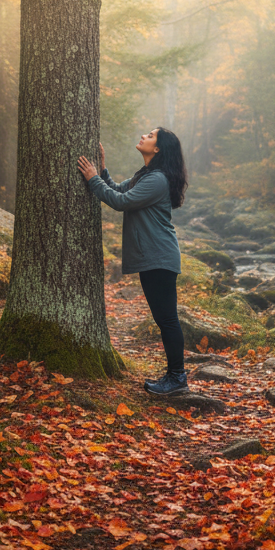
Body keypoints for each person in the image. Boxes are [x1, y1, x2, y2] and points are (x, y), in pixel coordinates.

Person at [77, 128, 189, 395]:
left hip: (159, 257)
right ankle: (175, 376)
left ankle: (177, 377)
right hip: (154, 257)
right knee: (165, 319)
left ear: (158, 148)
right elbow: (117, 189)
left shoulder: (157, 179)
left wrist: (93, 179)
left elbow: (120, 201)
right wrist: (102, 172)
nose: (143, 136)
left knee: (167, 320)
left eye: (150, 135)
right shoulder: (146, 175)